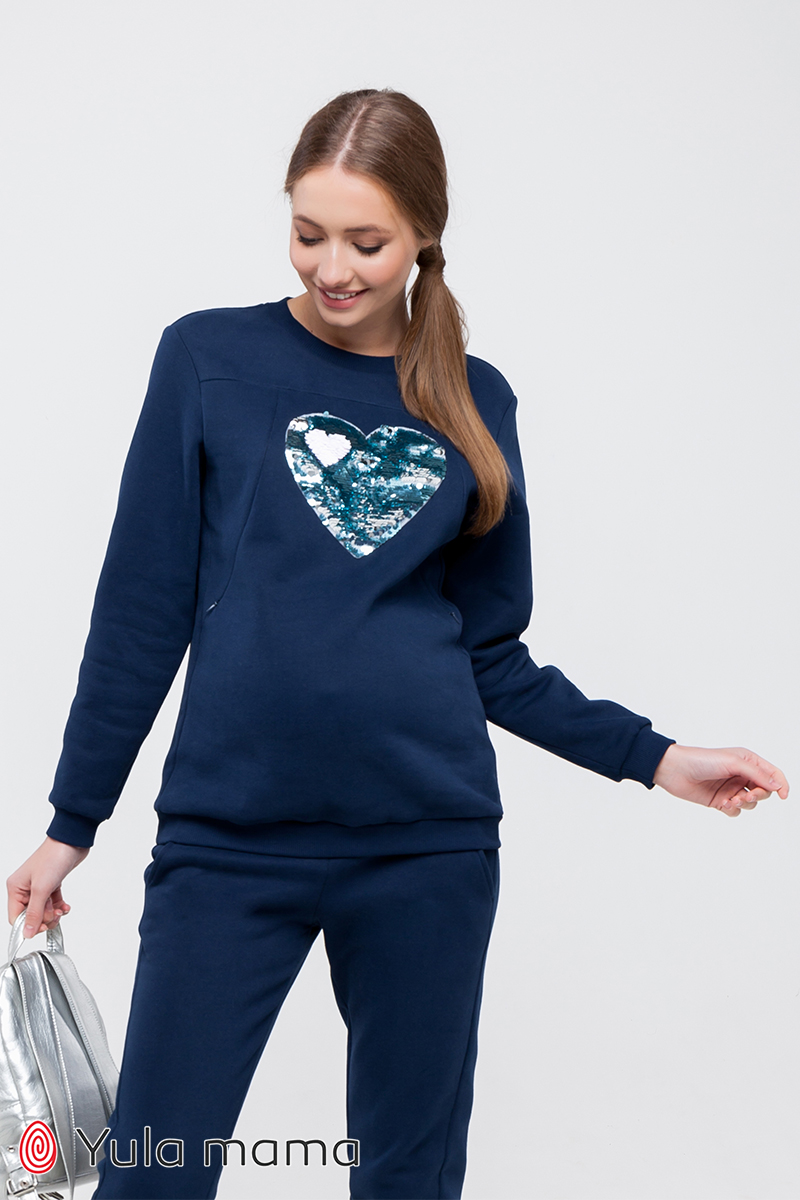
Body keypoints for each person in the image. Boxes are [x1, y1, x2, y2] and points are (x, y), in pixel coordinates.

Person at [6, 88, 790, 1200]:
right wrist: (71, 821)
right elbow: (141, 609)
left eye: (365, 242)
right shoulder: (206, 358)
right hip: (228, 846)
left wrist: (655, 757)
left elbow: (491, 652)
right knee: (152, 1172)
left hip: (427, 850)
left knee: (407, 1182)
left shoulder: (474, 401)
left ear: (423, 232)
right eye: (306, 233)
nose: (332, 268)